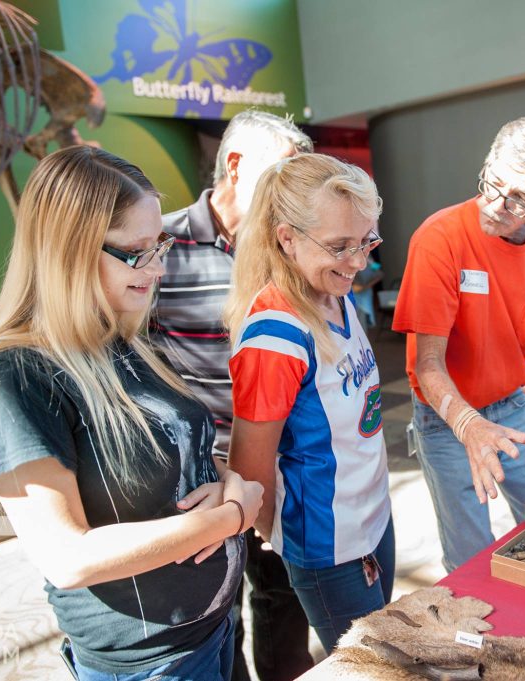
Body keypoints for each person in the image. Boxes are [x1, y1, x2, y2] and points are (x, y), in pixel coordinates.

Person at [0, 146, 264, 681]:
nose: (157, 266)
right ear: (68, 251)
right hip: (151, 663)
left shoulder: (124, 339)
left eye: (159, 246)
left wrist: (224, 481)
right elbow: (67, 556)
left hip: (209, 629)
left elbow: (182, 451)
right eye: (136, 252)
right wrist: (230, 518)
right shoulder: (16, 376)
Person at [393, 115, 525, 573]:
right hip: (448, 417)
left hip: (512, 406)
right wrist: (467, 426)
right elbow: (427, 364)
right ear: (488, 163)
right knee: (470, 559)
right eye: (492, 181)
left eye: (519, 199)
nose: (495, 204)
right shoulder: (439, 238)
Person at [149, 110, 314, 681]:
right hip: (202, 480)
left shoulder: (288, 248)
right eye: (284, 175)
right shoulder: (158, 247)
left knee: (284, 610)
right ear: (237, 166)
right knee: (219, 618)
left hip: (278, 469)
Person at [224, 153, 393, 654]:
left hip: (373, 520)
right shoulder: (275, 336)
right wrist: (293, 540)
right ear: (286, 238)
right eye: (340, 246)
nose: (359, 262)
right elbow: (251, 469)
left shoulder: (333, 292)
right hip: (330, 546)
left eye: (366, 241)